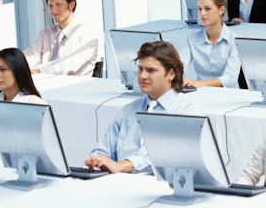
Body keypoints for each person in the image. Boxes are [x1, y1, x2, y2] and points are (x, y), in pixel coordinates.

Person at [85, 41, 201, 173]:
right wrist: (97, 160)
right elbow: (102, 150)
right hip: (120, 184)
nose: (142, 76)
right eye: (140, 69)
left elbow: (161, 157)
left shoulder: (187, 112)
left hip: (162, 187)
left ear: (171, 74)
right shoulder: (128, 110)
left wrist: (121, 166)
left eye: (151, 70)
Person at [0, 48, 46, 158]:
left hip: (16, 171)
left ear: (18, 71)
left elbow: (39, 153)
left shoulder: (36, 105)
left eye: (3, 69)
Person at [24, 0, 99, 76]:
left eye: (58, 5)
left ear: (71, 5)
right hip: (49, 85)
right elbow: (31, 55)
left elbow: (69, 64)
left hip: (76, 87)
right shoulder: (46, 33)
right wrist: (13, 65)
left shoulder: (87, 33)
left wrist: (39, 70)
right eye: (50, 6)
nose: (53, 10)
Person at [181, 0, 240, 88]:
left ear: (221, 10)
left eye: (207, 8)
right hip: (201, 93)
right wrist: (179, 78)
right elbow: (179, 66)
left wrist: (199, 83)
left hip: (229, 95)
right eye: (199, 9)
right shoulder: (192, 39)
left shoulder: (235, 40)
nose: (202, 13)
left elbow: (230, 78)